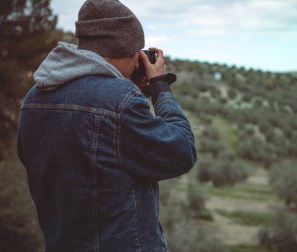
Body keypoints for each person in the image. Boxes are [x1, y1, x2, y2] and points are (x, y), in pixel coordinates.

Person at [17, 0, 196, 251]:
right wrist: (160, 87)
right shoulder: (118, 101)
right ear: (126, 52)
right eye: (137, 56)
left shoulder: (33, 99)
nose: (137, 65)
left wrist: (130, 91)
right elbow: (182, 151)